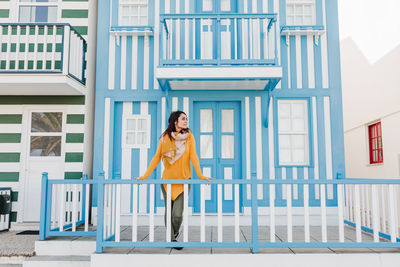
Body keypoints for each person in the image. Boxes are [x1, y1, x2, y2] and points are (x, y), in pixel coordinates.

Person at [136, 110, 212, 249]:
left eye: (187, 119)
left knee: (177, 215)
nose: (186, 121)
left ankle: (174, 233)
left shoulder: (189, 137)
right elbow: (157, 157)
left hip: (183, 182)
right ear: (175, 122)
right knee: (168, 212)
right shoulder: (165, 138)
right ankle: (171, 239)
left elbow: (193, 156)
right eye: (183, 119)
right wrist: (145, 176)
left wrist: (200, 175)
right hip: (167, 182)